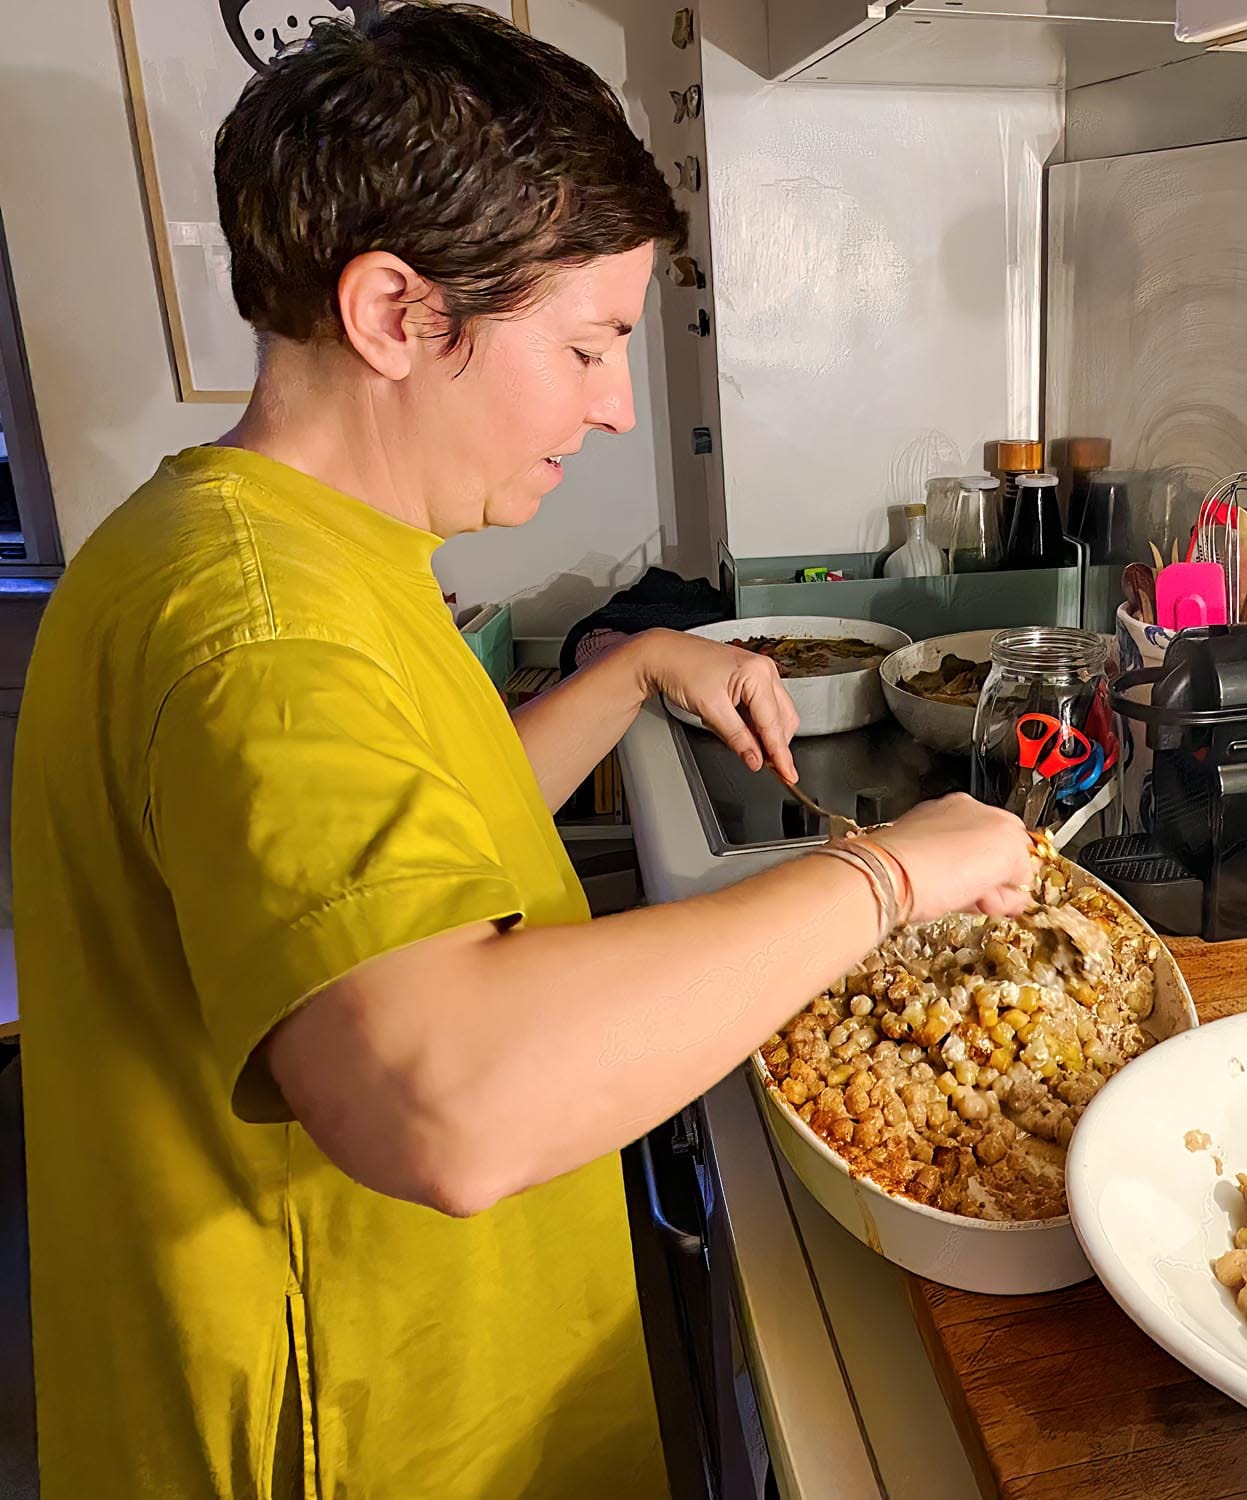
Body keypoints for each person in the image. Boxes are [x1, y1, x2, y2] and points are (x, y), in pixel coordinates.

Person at [13, 7, 1032, 1497]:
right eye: (586, 344)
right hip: (356, 1434)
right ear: (396, 315)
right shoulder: (258, 626)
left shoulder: (270, 546)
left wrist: (627, 678)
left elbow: (422, 839)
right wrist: (889, 876)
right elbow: (447, 1097)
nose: (616, 402)